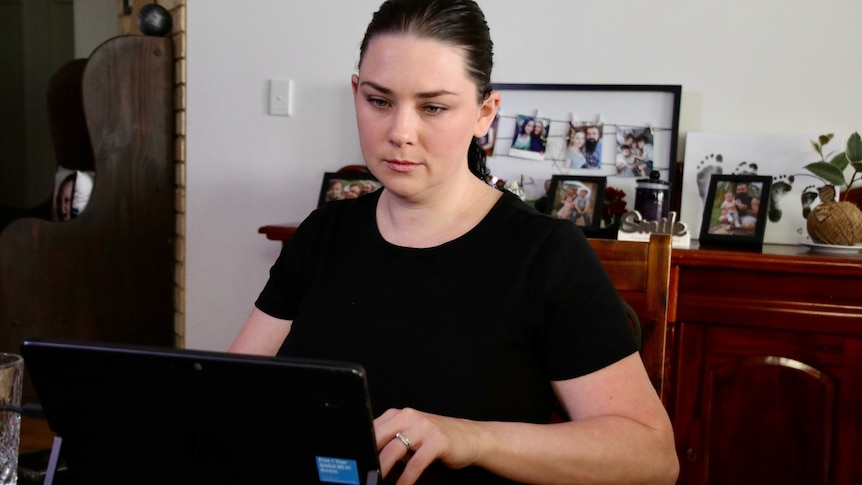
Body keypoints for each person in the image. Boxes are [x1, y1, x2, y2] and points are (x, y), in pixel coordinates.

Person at [229, 1, 678, 484]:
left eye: (433, 107)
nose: (400, 133)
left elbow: (651, 458)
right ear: (356, 92)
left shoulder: (544, 253)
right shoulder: (323, 234)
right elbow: (225, 394)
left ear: (485, 113)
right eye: (379, 101)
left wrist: (472, 438)